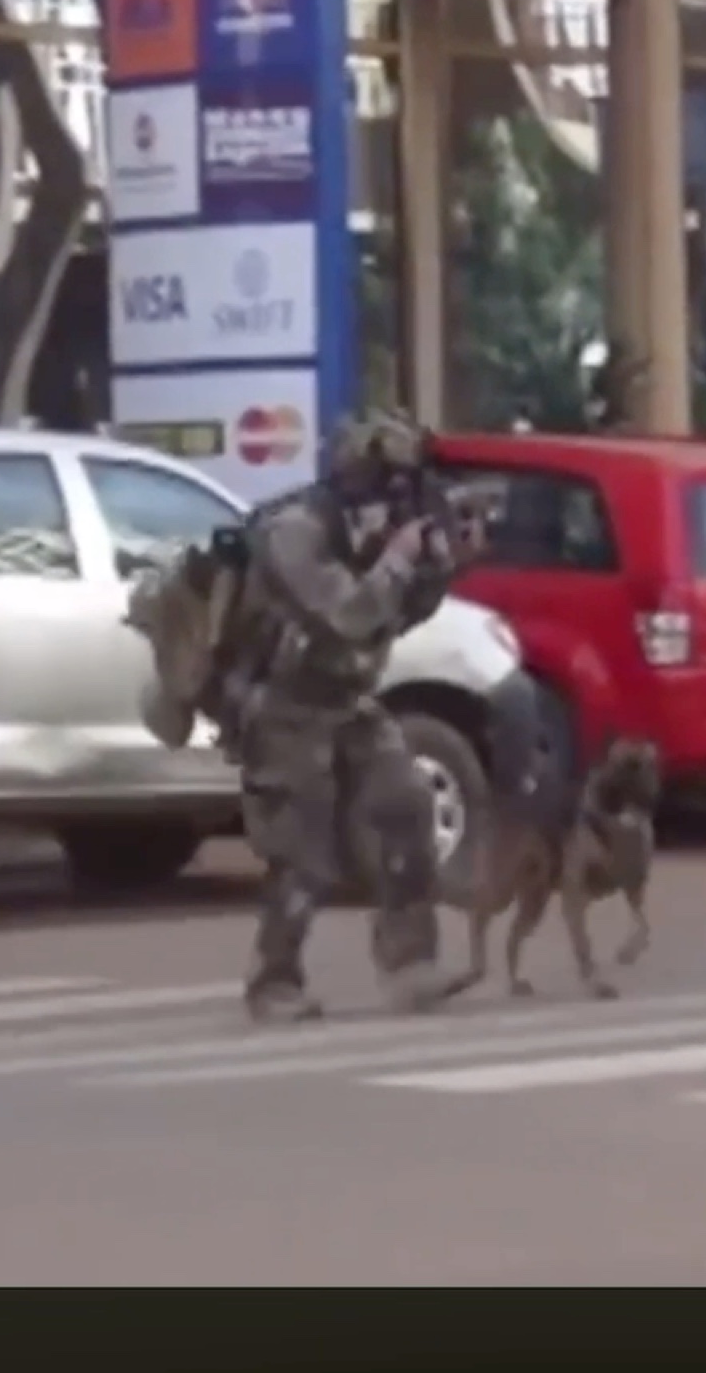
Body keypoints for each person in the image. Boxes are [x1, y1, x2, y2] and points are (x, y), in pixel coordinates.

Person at [227, 413, 466, 1023]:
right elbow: (348, 615)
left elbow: (396, 618)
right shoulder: (295, 533)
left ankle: (410, 965)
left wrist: (435, 566)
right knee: (302, 848)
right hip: (283, 704)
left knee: (406, 804)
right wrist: (397, 559)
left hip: (344, 698)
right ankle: (273, 981)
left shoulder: (372, 535)